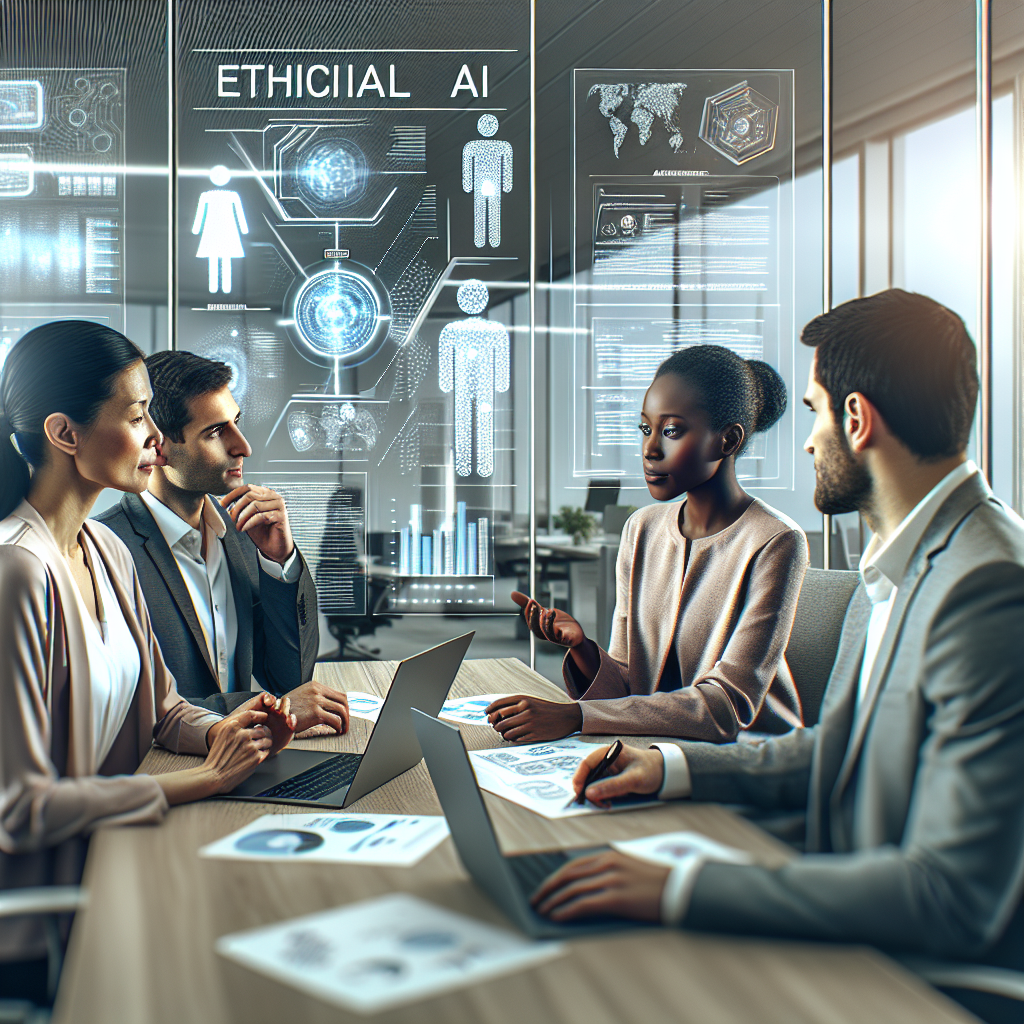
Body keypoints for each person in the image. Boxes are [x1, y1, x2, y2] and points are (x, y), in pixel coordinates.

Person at [529, 291, 1024, 994]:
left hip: (905, 974)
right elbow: (834, 749)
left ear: (857, 420)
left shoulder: (988, 586)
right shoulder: (899, 561)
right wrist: (668, 768)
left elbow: (950, 898)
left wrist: (688, 889)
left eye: (818, 411)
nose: (806, 437)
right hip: (833, 893)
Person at [0, 322, 296, 992]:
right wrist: (206, 779)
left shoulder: (107, 552)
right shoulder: (18, 571)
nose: (156, 444)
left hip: (117, 856)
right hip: (47, 913)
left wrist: (229, 730)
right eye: (137, 419)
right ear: (64, 434)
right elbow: (17, 810)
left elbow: (164, 712)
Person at [488, 345, 807, 743]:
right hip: (657, 742)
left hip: (744, 757)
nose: (650, 449)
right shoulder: (641, 529)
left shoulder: (775, 541)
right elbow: (630, 686)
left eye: (671, 431)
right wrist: (585, 650)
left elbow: (726, 707)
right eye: (645, 429)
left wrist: (575, 716)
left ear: (727, 440)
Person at [95, 350, 350, 737]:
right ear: (158, 446)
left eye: (237, 423)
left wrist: (279, 561)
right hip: (165, 776)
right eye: (215, 432)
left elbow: (290, 678)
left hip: (245, 763)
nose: (243, 447)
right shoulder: (104, 550)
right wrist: (266, 710)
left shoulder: (243, 534)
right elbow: (121, 709)